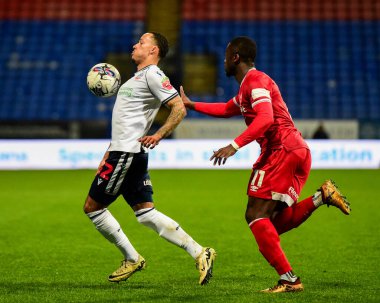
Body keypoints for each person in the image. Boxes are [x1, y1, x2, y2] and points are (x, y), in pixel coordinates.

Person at [180, 36, 350, 293]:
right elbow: (227, 108)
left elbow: (266, 118)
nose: (224, 60)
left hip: (280, 149)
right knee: (271, 222)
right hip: (296, 149)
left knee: (255, 215)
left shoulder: (256, 81)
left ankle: (290, 279)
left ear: (235, 57)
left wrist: (234, 146)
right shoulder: (248, 87)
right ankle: (321, 196)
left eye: (227, 55)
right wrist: (192, 105)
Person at [83, 32, 216, 286]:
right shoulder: (138, 78)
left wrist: (159, 134)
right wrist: (107, 154)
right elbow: (126, 124)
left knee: (93, 207)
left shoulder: (154, 75)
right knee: (145, 214)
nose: (135, 45)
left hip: (127, 154)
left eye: (142, 42)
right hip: (125, 152)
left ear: (154, 50)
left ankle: (132, 258)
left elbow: (179, 108)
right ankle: (200, 252)